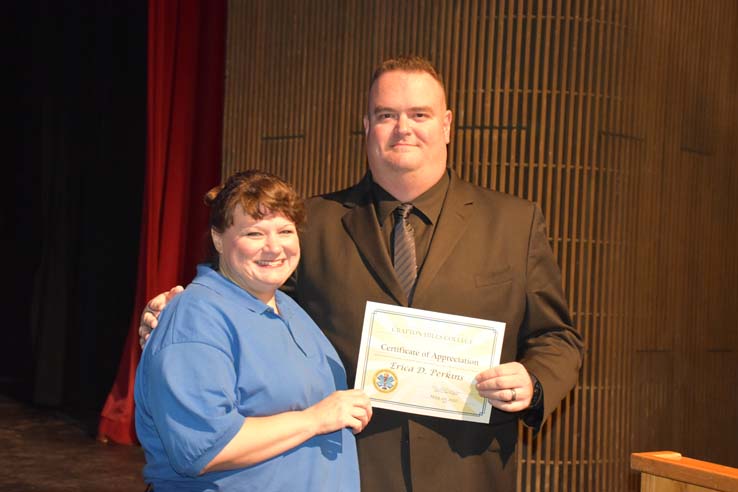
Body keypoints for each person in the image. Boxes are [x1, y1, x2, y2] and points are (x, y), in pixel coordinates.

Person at [141, 56, 584, 491]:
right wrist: (174, 310)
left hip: (468, 470)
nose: (403, 128)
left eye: (420, 114)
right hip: (347, 468)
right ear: (367, 125)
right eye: (386, 114)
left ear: (447, 125)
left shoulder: (514, 222)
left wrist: (534, 380)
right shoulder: (311, 224)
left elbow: (556, 337)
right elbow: (246, 300)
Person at [134, 170, 372, 491]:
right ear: (219, 240)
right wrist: (316, 419)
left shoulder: (289, 309)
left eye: (285, 231)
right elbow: (205, 448)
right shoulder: (196, 316)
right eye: (254, 234)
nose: (274, 247)